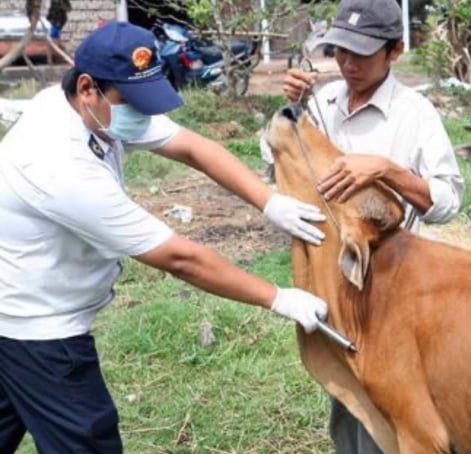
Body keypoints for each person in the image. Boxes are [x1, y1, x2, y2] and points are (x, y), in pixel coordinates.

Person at [0, 21, 329, 453]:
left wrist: (270, 202)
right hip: (37, 325)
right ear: (86, 88)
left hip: (15, 299)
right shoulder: (60, 167)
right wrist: (278, 297)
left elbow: (195, 148)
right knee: (88, 440)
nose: (141, 114)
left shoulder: (84, 109)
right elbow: (180, 258)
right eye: (131, 103)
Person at [276, 0, 465, 452]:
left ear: (395, 51)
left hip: (395, 283)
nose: (347, 63)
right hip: (333, 276)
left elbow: (448, 200)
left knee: (400, 402)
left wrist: (386, 171)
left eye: (361, 53)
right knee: (347, 395)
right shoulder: (323, 102)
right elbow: (284, 167)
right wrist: (292, 111)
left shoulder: (414, 113)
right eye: (340, 51)